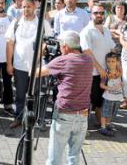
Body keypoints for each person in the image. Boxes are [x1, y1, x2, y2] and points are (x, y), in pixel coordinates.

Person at [32, 30, 93, 165]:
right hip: (83, 115)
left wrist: (41, 54)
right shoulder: (88, 60)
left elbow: (34, 73)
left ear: (65, 46)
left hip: (64, 115)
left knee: (55, 158)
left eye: (60, 44)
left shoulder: (62, 60)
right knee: (74, 156)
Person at [6, 0, 41, 129]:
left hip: (37, 67)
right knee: (20, 95)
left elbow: (46, 43)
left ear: (34, 8)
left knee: (35, 94)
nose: (26, 9)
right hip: (19, 66)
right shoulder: (16, 23)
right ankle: (18, 118)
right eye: (24, 7)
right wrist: (9, 63)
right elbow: (10, 44)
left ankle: (33, 120)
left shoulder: (42, 23)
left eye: (29, 6)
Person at [80, 4, 116, 127]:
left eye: (101, 13)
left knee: (101, 101)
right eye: (96, 13)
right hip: (92, 73)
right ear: (91, 14)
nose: (99, 15)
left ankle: (102, 126)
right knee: (88, 102)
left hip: (106, 73)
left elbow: (112, 50)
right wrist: (99, 68)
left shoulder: (106, 30)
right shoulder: (86, 31)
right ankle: (83, 128)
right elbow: (87, 52)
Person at [99, 53, 123, 136]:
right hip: (108, 97)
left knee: (112, 113)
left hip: (117, 97)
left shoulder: (120, 71)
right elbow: (101, 85)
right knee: (105, 113)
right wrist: (110, 88)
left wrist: (121, 84)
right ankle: (103, 127)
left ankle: (108, 124)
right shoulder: (106, 73)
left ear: (117, 62)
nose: (111, 63)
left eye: (113, 61)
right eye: (108, 61)